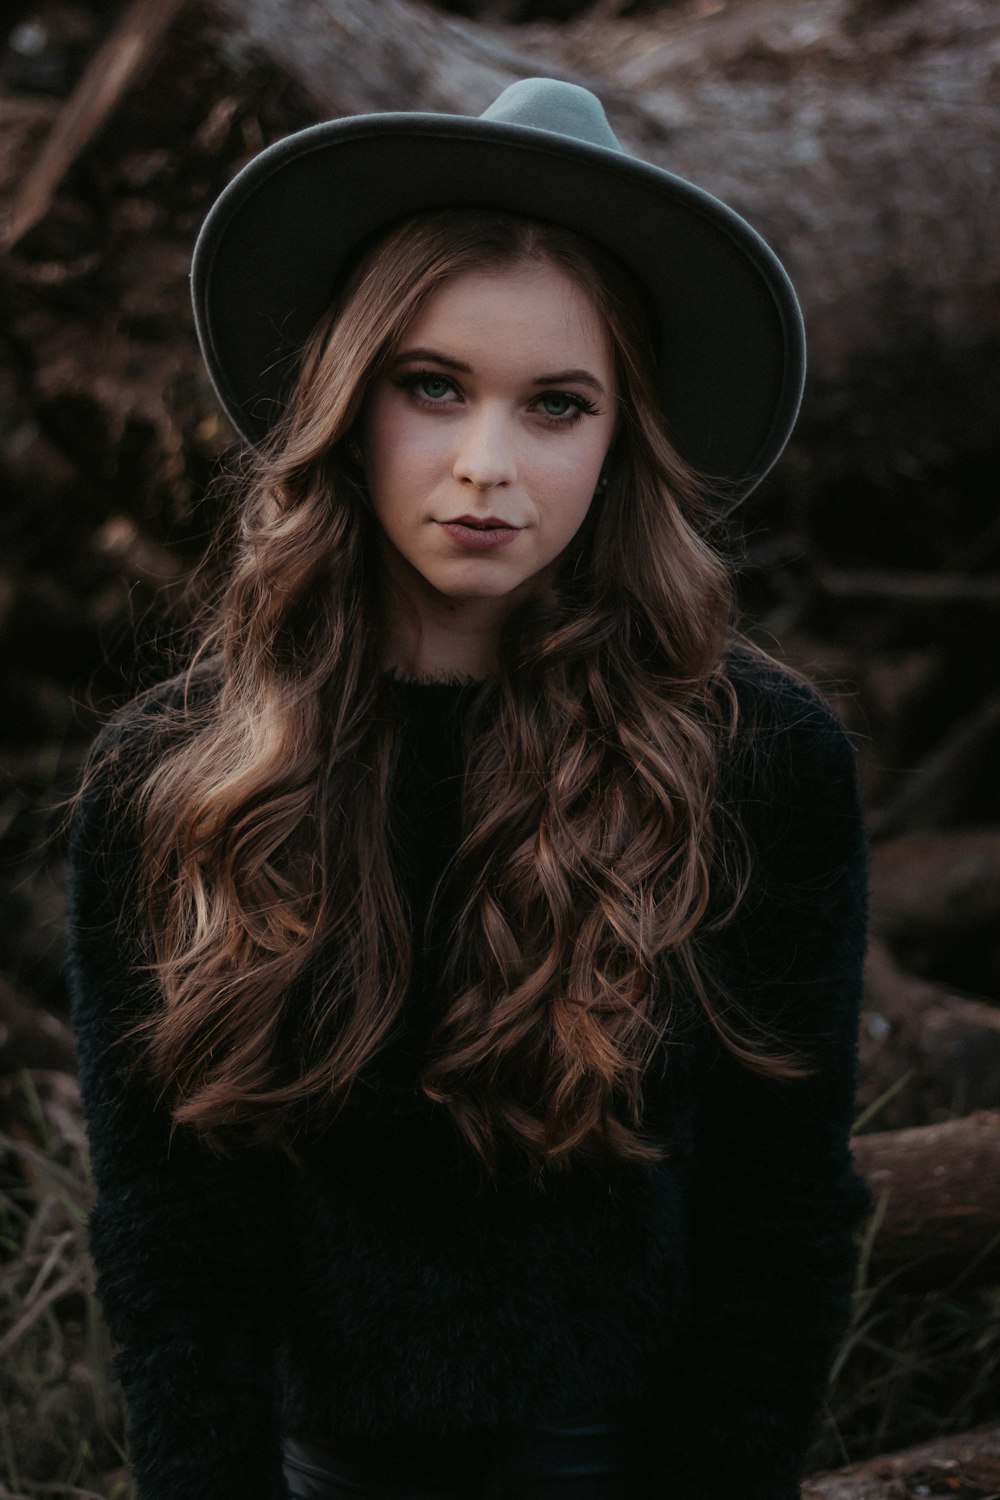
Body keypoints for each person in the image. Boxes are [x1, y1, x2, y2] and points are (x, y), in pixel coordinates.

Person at [68, 78, 871, 1500]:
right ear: (345, 392)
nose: (486, 467)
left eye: (556, 404)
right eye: (431, 386)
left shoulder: (754, 757)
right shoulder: (174, 777)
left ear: (622, 436)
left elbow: (781, 1213)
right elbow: (170, 1231)